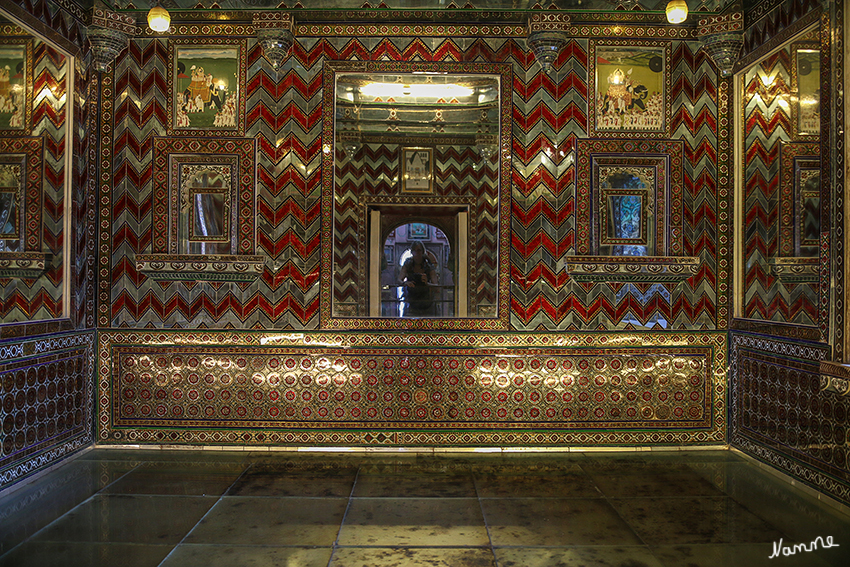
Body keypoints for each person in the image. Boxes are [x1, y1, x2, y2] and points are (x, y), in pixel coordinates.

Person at [399, 241, 437, 316]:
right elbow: (399, 280)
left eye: (419, 250)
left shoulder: (428, 265)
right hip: (411, 301)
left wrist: (426, 283)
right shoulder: (408, 263)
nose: (417, 253)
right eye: (414, 250)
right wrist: (405, 283)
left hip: (427, 302)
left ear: (423, 251)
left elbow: (436, 286)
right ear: (411, 252)